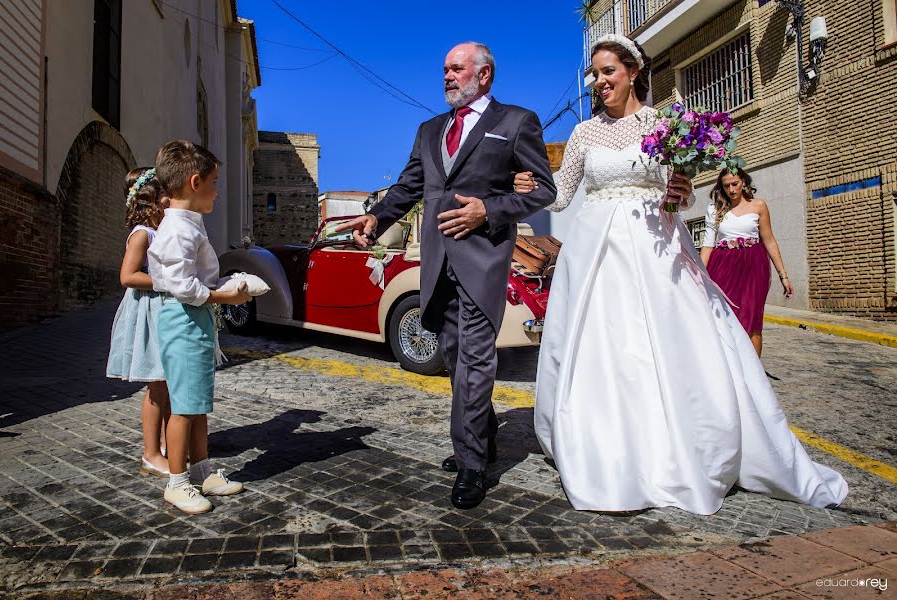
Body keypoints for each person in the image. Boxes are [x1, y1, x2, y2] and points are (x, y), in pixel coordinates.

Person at [513, 34, 847, 515]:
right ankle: (608, 445)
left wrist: (682, 189)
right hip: (595, 255)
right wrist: (532, 186)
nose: (599, 82)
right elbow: (562, 198)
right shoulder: (585, 134)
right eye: (595, 74)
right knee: (606, 346)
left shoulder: (664, 124)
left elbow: (680, 197)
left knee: (670, 341)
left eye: (608, 71)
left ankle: (685, 444)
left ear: (632, 72)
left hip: (656, 244)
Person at [337, 42, 556, 509]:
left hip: (483, 259)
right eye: (444, 70)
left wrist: (489, 209)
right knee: (455, 357)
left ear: (485, 75)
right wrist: (377, 217)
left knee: (476, 359)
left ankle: (474, 464)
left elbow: (542, 190)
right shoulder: (429, 129)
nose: (447, 76)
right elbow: (409, 185)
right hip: (438, 262)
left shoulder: (516, 122)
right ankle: (483, 434)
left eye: (457, 68)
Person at [149, 140, 251, 514]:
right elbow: (182, 285)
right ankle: (177, 482)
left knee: (197, 401)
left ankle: (203, 470)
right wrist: (225, 296)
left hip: (195, 319)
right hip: (183, 318)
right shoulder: (178, 229)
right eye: (214, 181)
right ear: (195, 183)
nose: (217, 190)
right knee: (184, 407)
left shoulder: (188, 223)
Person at [106, 167, 171, 477]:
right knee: (157, 385)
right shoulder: (142, 234)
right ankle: (151, 453)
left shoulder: (161, 230)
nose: (170, 201)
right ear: (151, 200)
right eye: (164, 196)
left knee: (168, 383)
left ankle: (169, 444)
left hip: (163, 310)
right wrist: (166, 281)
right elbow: (127, 276)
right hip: (149, 312)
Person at [700, 168, 793, 357]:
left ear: (743, 182)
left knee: (752, 319)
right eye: (726, 186)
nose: (731, 189)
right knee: (724, 318)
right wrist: (699, 275)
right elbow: (708, 245)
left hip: (754, 266)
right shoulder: (715, 208)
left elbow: (769, 240)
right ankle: (730, 368)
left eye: (735, 184)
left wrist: (783, 275)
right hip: (723, 266)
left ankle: (754, 375)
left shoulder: (759, 206)